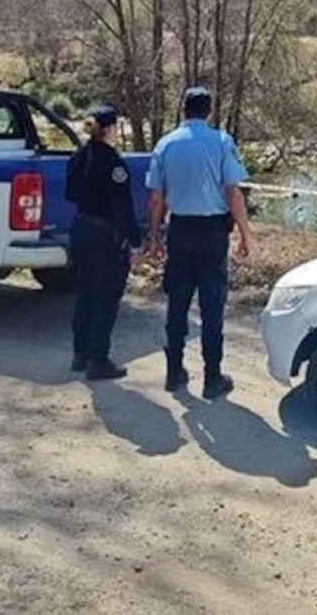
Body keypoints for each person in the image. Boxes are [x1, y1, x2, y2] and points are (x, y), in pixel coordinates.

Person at [145, 86, 252, 400]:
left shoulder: (165, 144)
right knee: (212, 306)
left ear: (183, 111)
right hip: (211, 233)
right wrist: (245, 234)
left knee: (177, 304)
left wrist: (154, 236)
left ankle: (174, 371)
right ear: (209, 112)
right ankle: (212, 377)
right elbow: (233, 193)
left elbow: (155, 199)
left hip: (179, 229)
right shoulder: (220, 142)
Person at [66, 104, 140, 381]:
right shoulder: (112, 163)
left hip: (81, 228)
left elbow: (70, 193)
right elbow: (122, 206)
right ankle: (99, 359)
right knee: (106, 298)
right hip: (105, 236)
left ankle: (80, 353)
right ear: (110, 129)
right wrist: (134, 239)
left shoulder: (79, 157)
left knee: (85, 293)